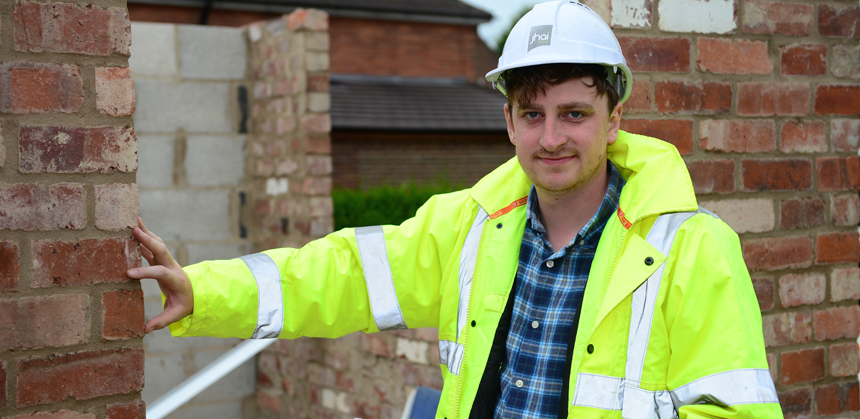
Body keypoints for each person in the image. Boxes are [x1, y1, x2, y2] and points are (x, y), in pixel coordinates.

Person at [129, 1, 783, 418]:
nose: (551, 136)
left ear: (615, 120)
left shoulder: (692, 247)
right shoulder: (467, 226)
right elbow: (335, 274)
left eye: (575, 114)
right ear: (508, 122)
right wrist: (205, 290)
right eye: (533, 113)